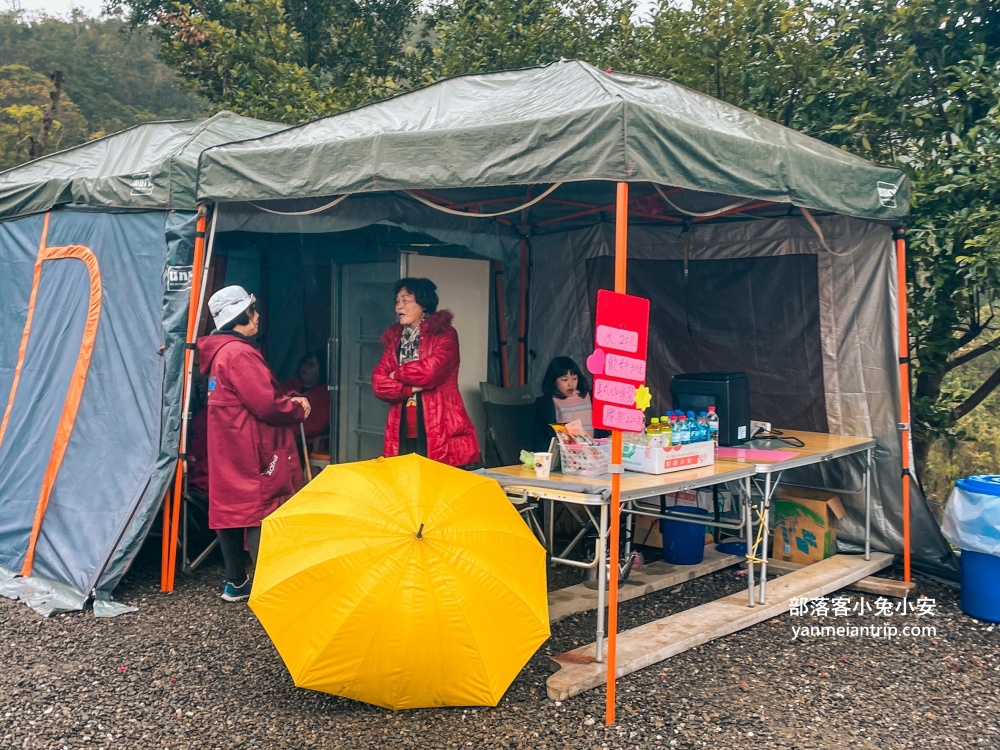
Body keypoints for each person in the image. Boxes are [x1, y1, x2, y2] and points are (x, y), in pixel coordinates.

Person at [197, 285, 311, 602]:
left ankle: (236, 581)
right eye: (253, 310)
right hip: (253, 446)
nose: (258, 315)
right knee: (264, 507)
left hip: (228, 443)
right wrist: (296, 406)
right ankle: (268, 583)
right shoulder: (240, 354)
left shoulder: (218, 354)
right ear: (241, 315)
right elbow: (267, 404)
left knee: (230, 509)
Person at [371, 277, 480, 468]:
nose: (398, 308)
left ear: (423, 304)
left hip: (441, 426)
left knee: (438, 485)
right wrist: (408, 389)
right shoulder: (395, 339)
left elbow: (430, 372)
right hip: (402, 428)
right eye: (397, 301)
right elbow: (378, 383)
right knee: (405, 483)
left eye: (405, 301)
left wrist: (395, 375)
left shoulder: (445, 334)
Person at [533, 356, 608, 451]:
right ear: (553, 381)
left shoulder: (592, 397)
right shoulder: (545, 403)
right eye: (564, 380)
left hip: (595, 454)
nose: (571, 384)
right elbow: (541, 438)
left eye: (574, 378)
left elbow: (603, 432)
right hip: (564, 456)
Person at [282, 351, 331, 451]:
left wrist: (291, 431)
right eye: (304, 363)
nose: (305, 367)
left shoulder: (324, 393)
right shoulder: (288, 385)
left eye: (311, 365)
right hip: (283, 437)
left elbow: (317, 425)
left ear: (321, 370)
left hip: (306, 442)